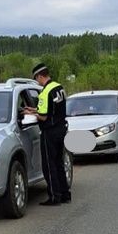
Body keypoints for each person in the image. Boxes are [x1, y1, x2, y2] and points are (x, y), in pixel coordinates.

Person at [23, 63, 71, 205]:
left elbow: (44, 116)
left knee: (49, 166)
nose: (37, 81)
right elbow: (51, 109)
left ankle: (54, 197)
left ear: (39, 76)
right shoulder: (58, 87)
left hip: (49, 132)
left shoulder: (45, 92)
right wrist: (32, 110)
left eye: (36, 78)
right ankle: (65, 194)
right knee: (59, 163)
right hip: (61, 129)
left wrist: (32, 114)